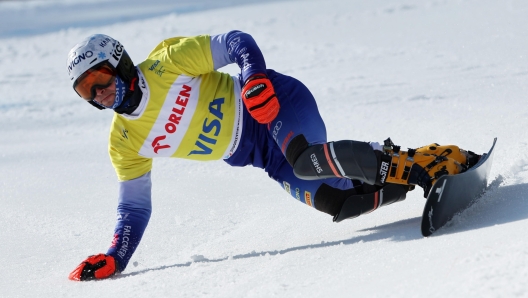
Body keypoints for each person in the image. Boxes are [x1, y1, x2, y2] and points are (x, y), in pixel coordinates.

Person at [66, 31, 480, 281]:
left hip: (274, 103)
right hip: (262, 155)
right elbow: (134, 208)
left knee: (308, 159)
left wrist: (252, 79)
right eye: (87, 91)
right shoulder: (124, 141)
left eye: (100, 77)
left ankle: (424, 170)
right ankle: (431, 161)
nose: (99, 93)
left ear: (119, 63)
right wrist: (116, 258)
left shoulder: (166, 63)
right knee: (341, 201)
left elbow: (235, 42)